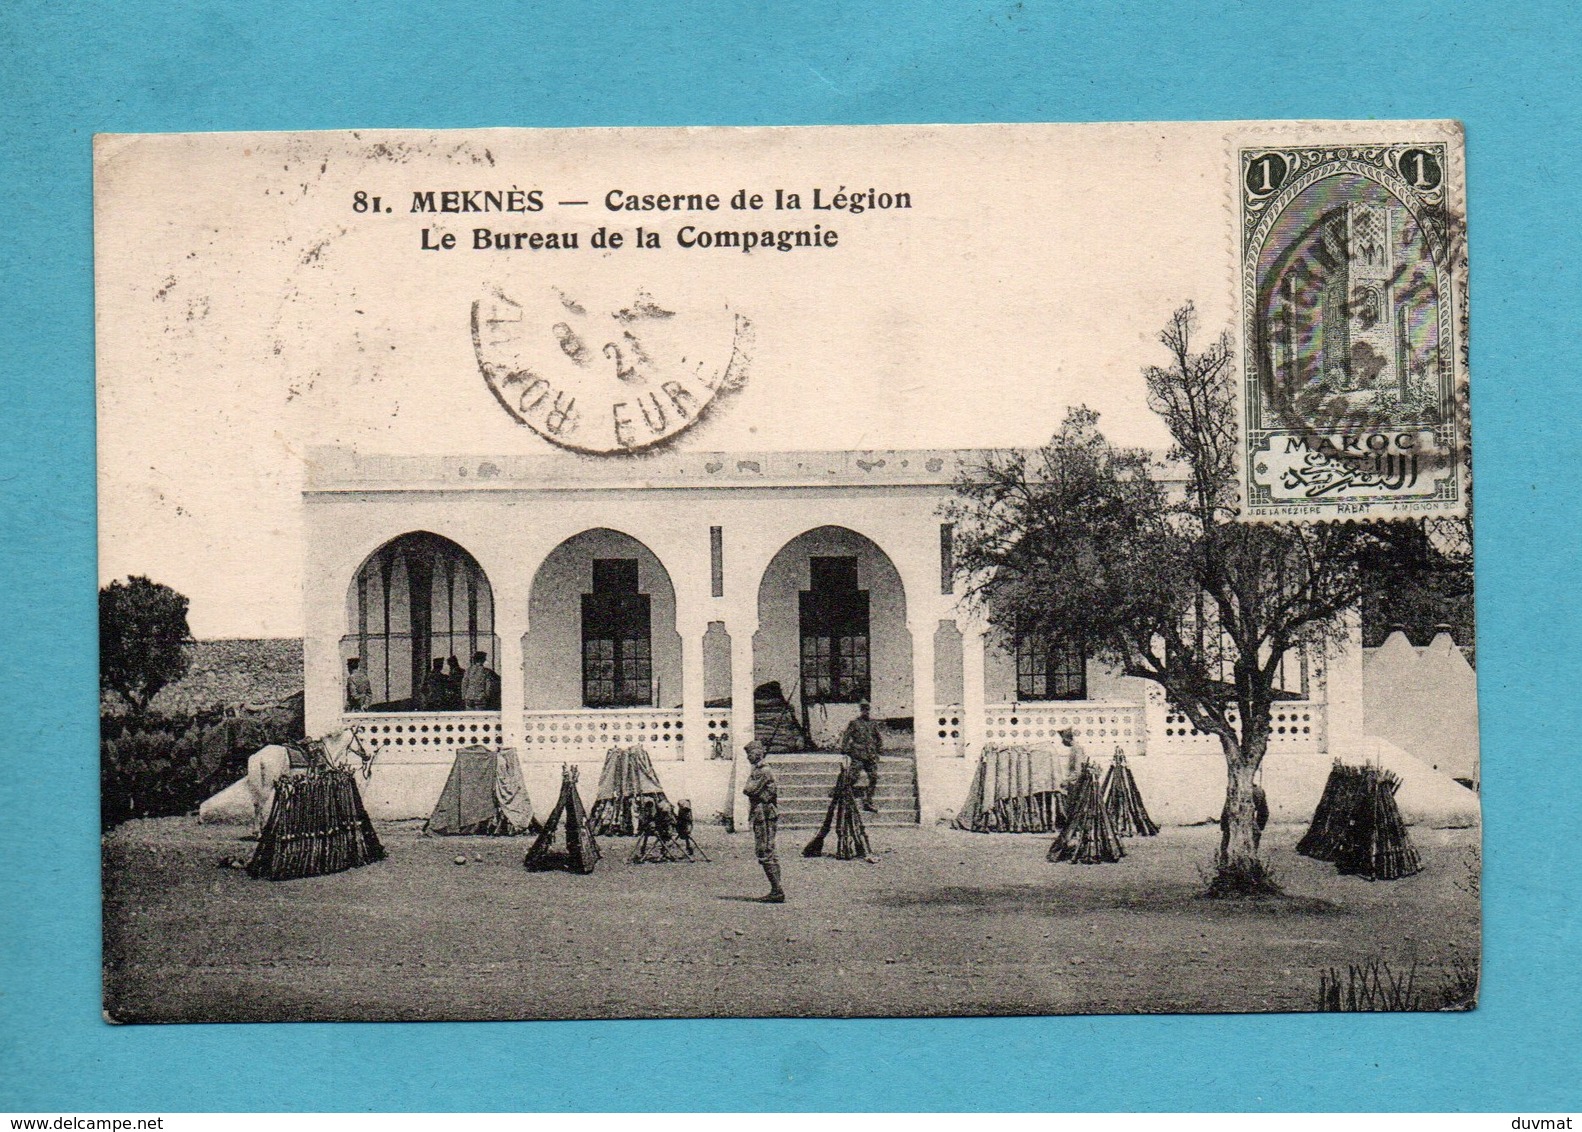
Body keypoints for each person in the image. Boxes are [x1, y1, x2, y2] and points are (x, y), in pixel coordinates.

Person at [741, 740, 785, 902]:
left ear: (758, 753)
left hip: (764, 814)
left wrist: (756, 793)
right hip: (766, 812)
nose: (748, 757)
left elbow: (748, 789)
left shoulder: (761, 771)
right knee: (769, 851)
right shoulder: (762, 770)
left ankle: (777, 891)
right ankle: (776, 889)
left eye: (750, 754)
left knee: (764, 851)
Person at [838, 700, 884, 813]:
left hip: (870, 755)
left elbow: (878, 739)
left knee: (873, 777)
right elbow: (846, 736)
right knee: (853, 777)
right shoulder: (854, 723)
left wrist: (878, 751)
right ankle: (843, 797)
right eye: (864, 709)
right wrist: (844, 750)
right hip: (858, 755)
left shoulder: (873, 723)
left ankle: (868, 801)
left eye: (867, 709)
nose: (866, 711)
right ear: (861, 710)